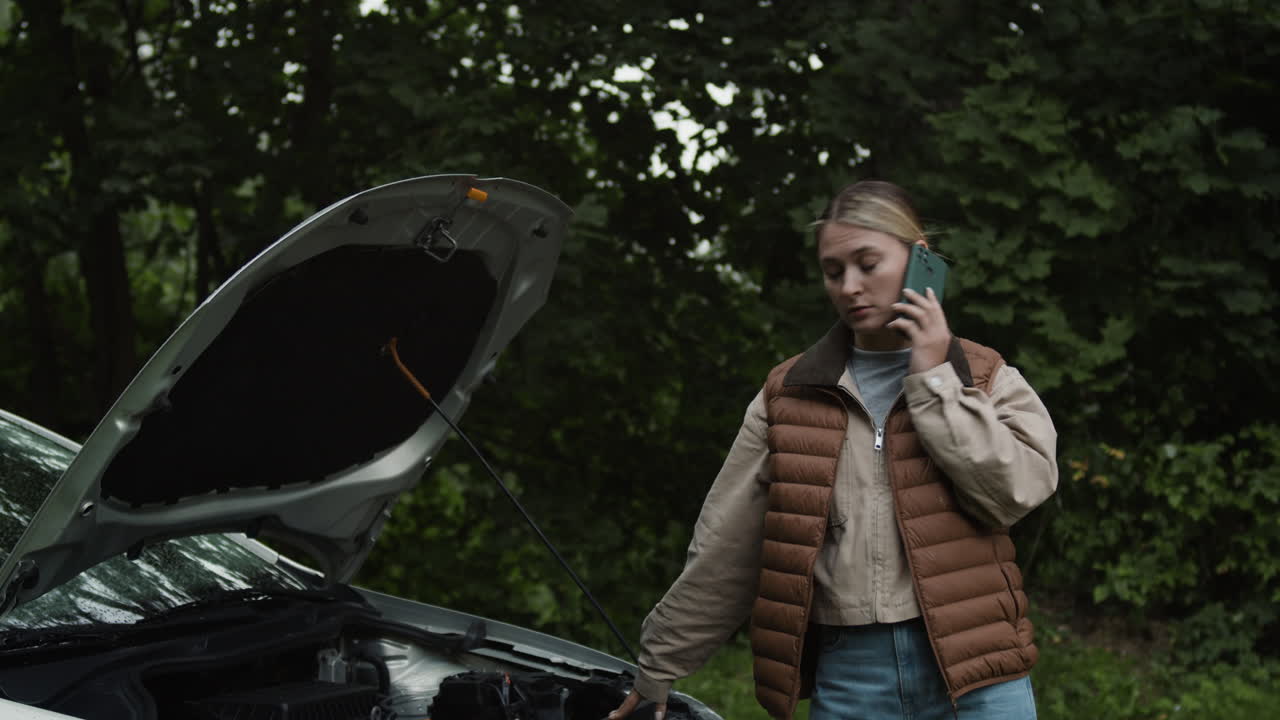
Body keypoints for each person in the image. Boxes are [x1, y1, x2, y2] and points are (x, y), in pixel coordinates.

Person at [606, 180, 1058, 720]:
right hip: (851, 678)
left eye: (868, 264)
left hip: (977, 674)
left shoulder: (983, 375)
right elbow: (727, 544)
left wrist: (936, 378)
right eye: (833, 270)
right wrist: (661, 663)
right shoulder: (789, 394)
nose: (849, 287)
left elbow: (1016, 492)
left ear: (920, 261)